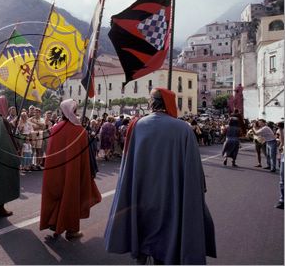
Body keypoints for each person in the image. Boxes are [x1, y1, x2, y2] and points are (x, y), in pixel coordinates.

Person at [104, 88, 216, 265]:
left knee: (143, 232)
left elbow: (129, 164)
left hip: (141, 193)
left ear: (152, 102)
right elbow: (194, 169)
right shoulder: (183, 129)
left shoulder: (137, 125)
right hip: (171, 195)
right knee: (168, 234)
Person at [40, 99, 102, 240]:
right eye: (75, 109)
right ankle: (71, 230)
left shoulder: (56, 127)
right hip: (72, 171)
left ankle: (55, 223)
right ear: (72, 111)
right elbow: (85, 155)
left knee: (59, 195)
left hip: (55, 171)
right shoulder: (78, 130)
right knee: (71, 196)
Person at [276, 121, 284, 209]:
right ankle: (282, 200)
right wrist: (281, 129)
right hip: (284, 157)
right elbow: (283, 142)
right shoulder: (282, 129)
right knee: (282, 181)